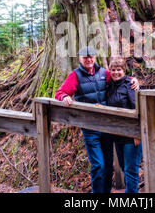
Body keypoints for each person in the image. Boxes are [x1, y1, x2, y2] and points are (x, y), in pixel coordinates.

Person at [54, 46, 139, 193]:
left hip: (107, 128)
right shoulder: (75, 75)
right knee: (98, 165)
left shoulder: (103, 73)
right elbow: (60, 92)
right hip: (89, 127)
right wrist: (65, 96)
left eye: (91, 56)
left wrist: (134, 80)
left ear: (95, 57)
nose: (88, 59)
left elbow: (119, 77)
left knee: (107, 164)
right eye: (85, 57)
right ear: (80, 59)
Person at [107, 56, 142, 193]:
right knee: (123, 167)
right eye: (113, 70)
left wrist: (138, 132)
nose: (116, 72)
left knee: (131, 170)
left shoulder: (130, 85)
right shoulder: (110, 86)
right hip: (118, 135)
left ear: (124, 70)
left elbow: (138, 110)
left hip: (131, 135)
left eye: (119, 70)